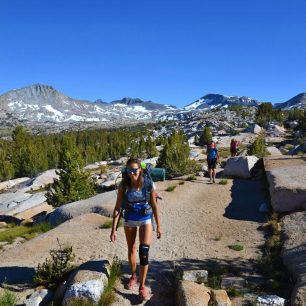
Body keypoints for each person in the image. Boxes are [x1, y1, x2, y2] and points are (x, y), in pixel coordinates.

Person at [110, 158, 162, 301]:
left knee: (144, 251)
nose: (132, 173)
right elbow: (117, 207)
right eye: (129, 170)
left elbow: (154, 205)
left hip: (145, 218)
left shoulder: (148, 183)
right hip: (130, 218)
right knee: (131, 248)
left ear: (140, 170)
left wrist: (158, 226)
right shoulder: (123, 185)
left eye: (135, 170)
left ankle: (142, 286)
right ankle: (134, 275)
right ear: (126, 171)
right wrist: (113, 228)